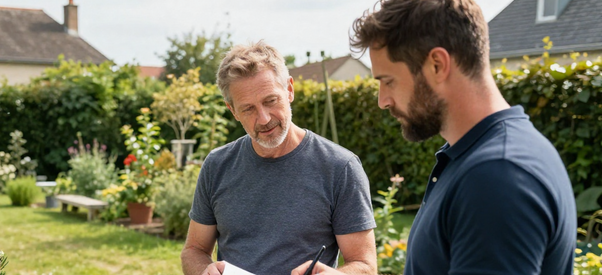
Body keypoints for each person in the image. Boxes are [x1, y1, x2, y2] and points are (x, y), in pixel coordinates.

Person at [297, 0, 576, 274]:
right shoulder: (472, 156)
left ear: (437, 65)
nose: (383, 100)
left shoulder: (497, 175)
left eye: (388, 80)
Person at [180, 41, 378, 275]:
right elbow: (194, 250)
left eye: (270, 101)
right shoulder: (217, 165)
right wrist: (204, 270)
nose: (263, 119)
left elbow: (365, 266)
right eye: (248, 109)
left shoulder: (339, 167)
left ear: (289, 90)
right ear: (232, 110)